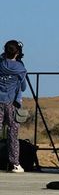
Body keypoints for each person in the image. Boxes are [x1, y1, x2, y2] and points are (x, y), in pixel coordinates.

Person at [0, 40, 28, 173]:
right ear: (17, 52)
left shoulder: (0, 65)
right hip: (12, 103)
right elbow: (23, 86)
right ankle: (15, 163)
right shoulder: (20, 68)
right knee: (13, 132)